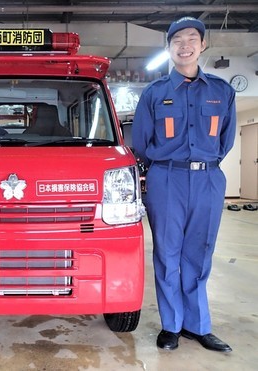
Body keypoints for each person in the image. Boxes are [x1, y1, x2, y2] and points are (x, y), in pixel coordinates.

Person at [133, 17, 236, 352]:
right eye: (177, 40)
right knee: (168, 253)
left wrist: (202, 164)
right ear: (168, 47)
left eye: (192, 38)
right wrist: (163, 169)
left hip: (207, 178)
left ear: (203, 45)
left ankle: (198, 325)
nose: (185, 45)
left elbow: (225, 141)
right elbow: (141, 143)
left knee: (200, 254)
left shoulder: (222, 92)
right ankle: (171, 326)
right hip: (166, 179)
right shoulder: (154, 93)